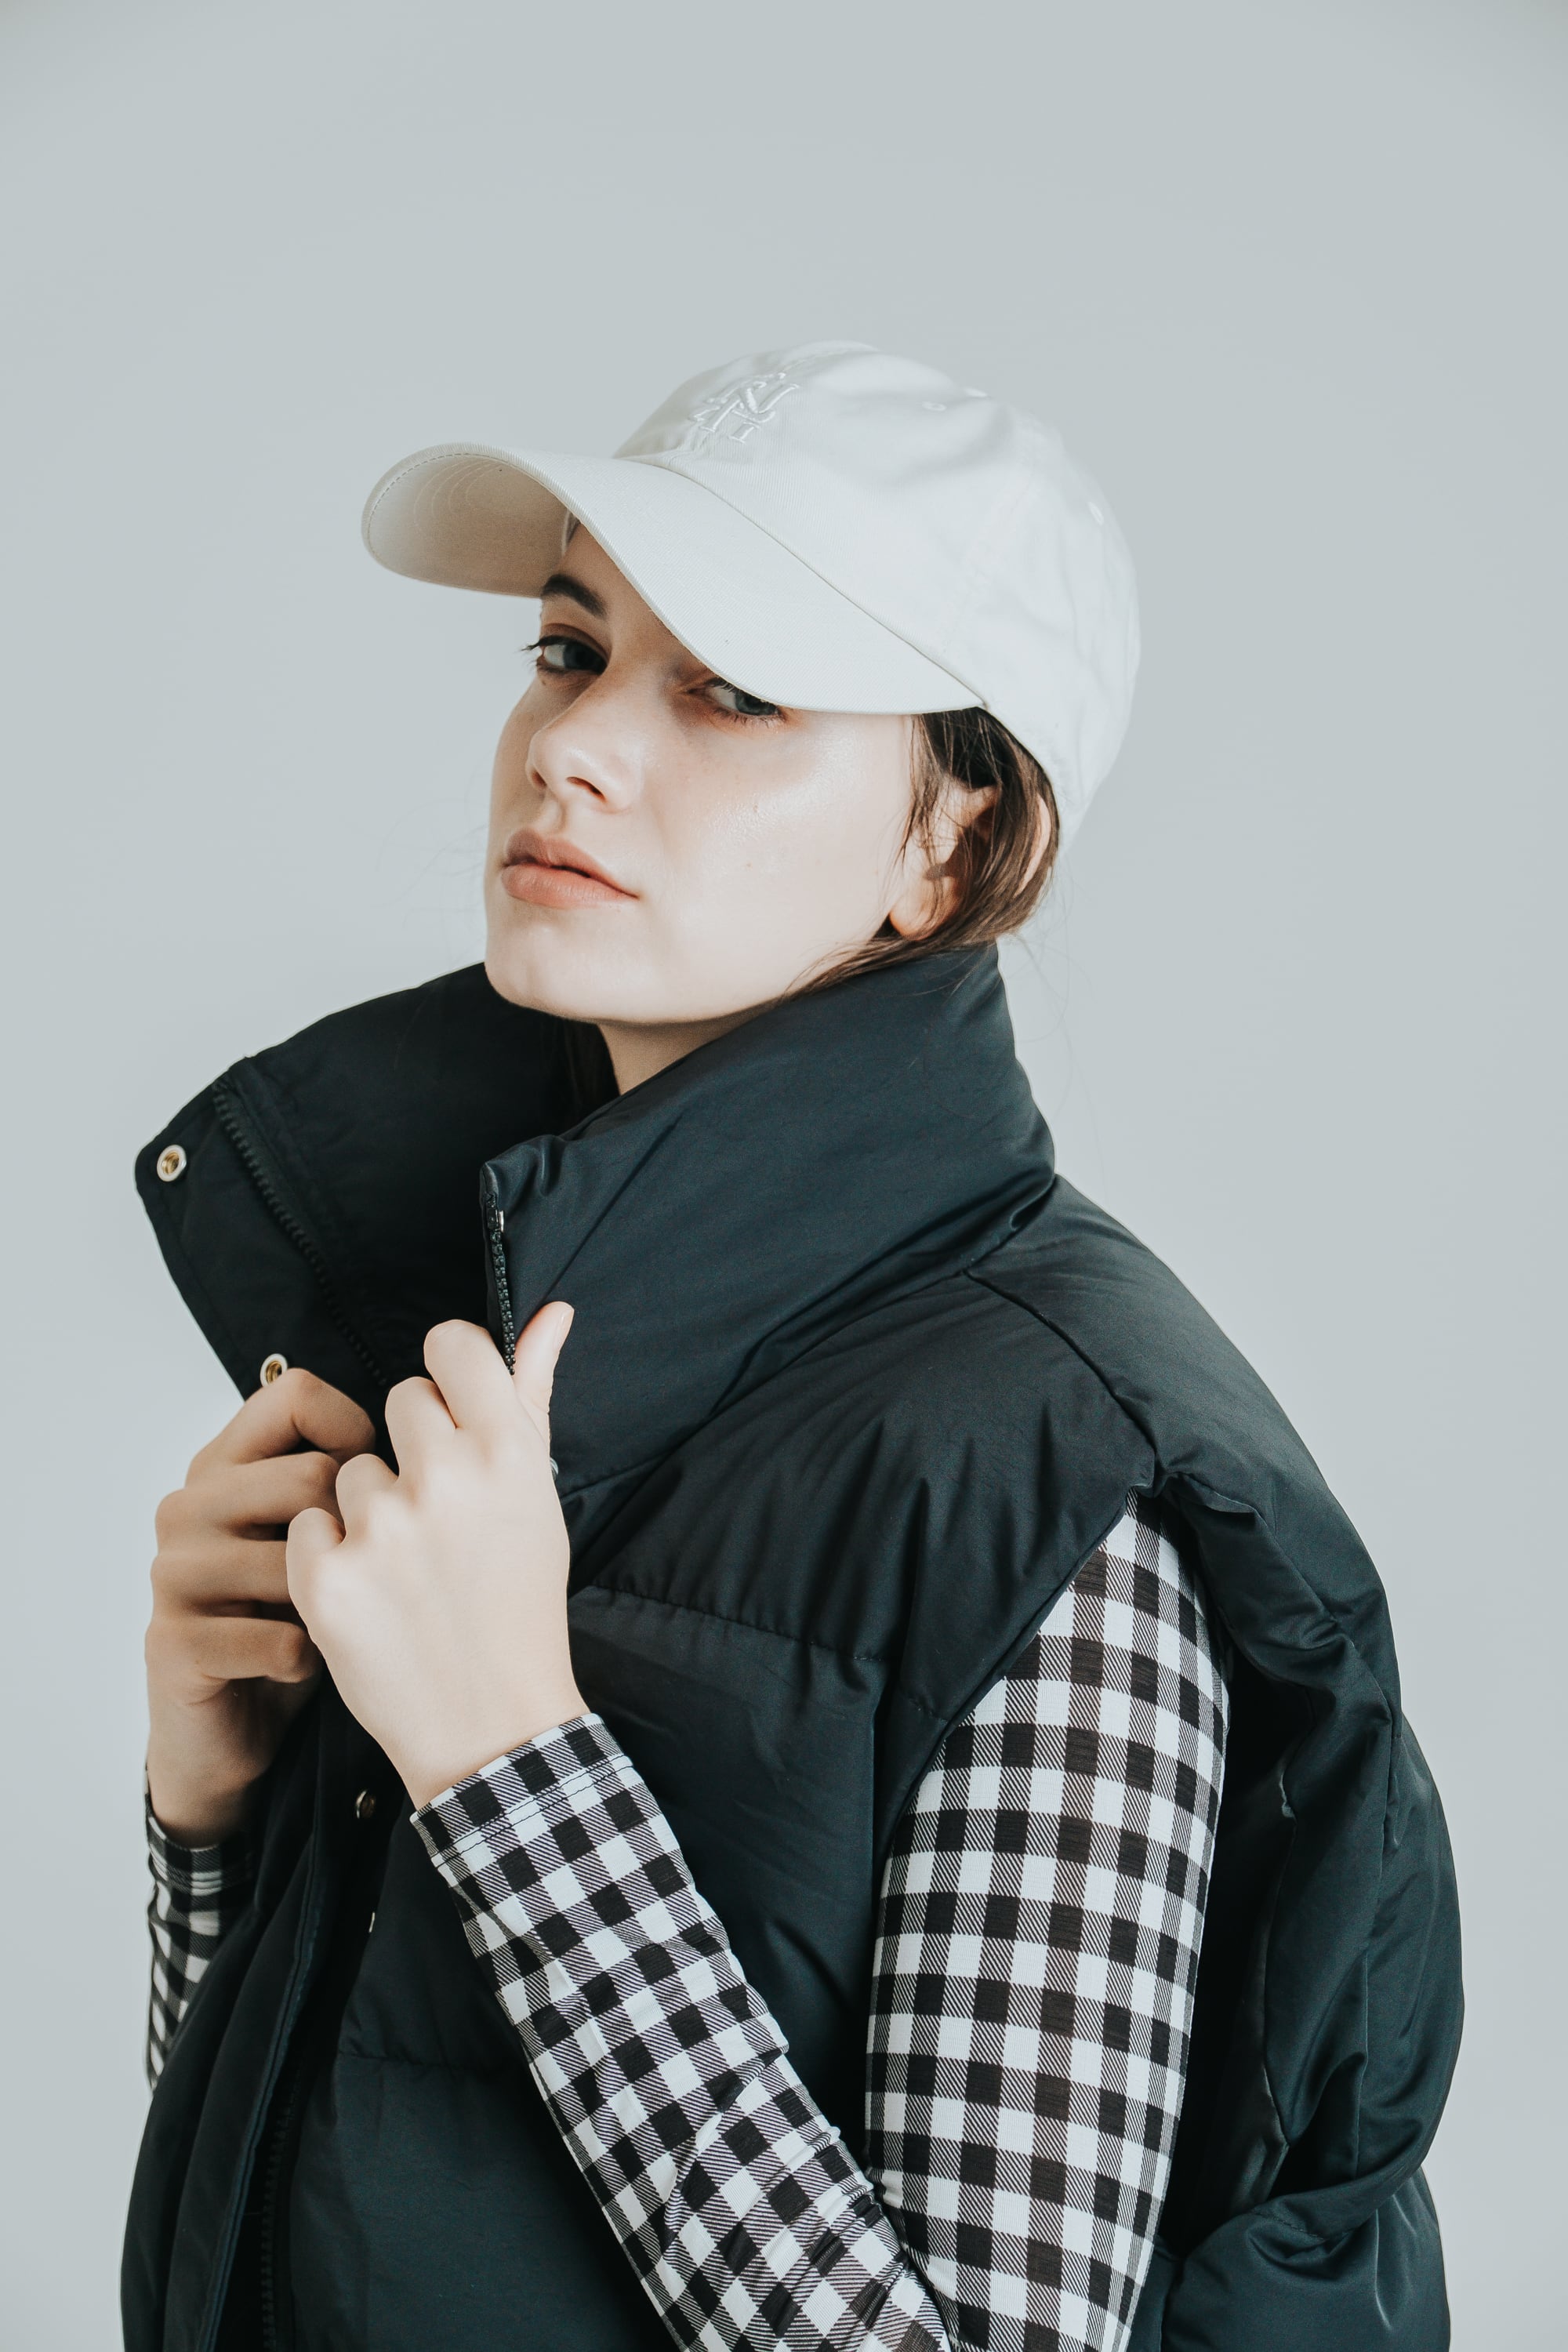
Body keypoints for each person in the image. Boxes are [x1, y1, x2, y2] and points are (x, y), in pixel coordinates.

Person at [125, 344, 1461, 2352]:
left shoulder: (1048, 1491)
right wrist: (212, 1815)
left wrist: (506, 1765)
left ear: (954, 845)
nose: (573, 749)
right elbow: (338, 2220)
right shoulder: (484, 1342)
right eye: (570, 650)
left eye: (735, 690)